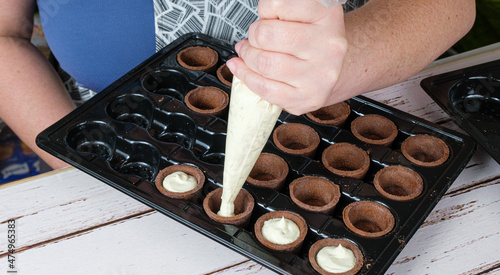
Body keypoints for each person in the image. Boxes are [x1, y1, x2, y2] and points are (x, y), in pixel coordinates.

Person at [0, 0, 476, 169]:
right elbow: (4, 35)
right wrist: (68, 150)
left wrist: (355, 52)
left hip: (346, 120)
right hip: (114, 139)